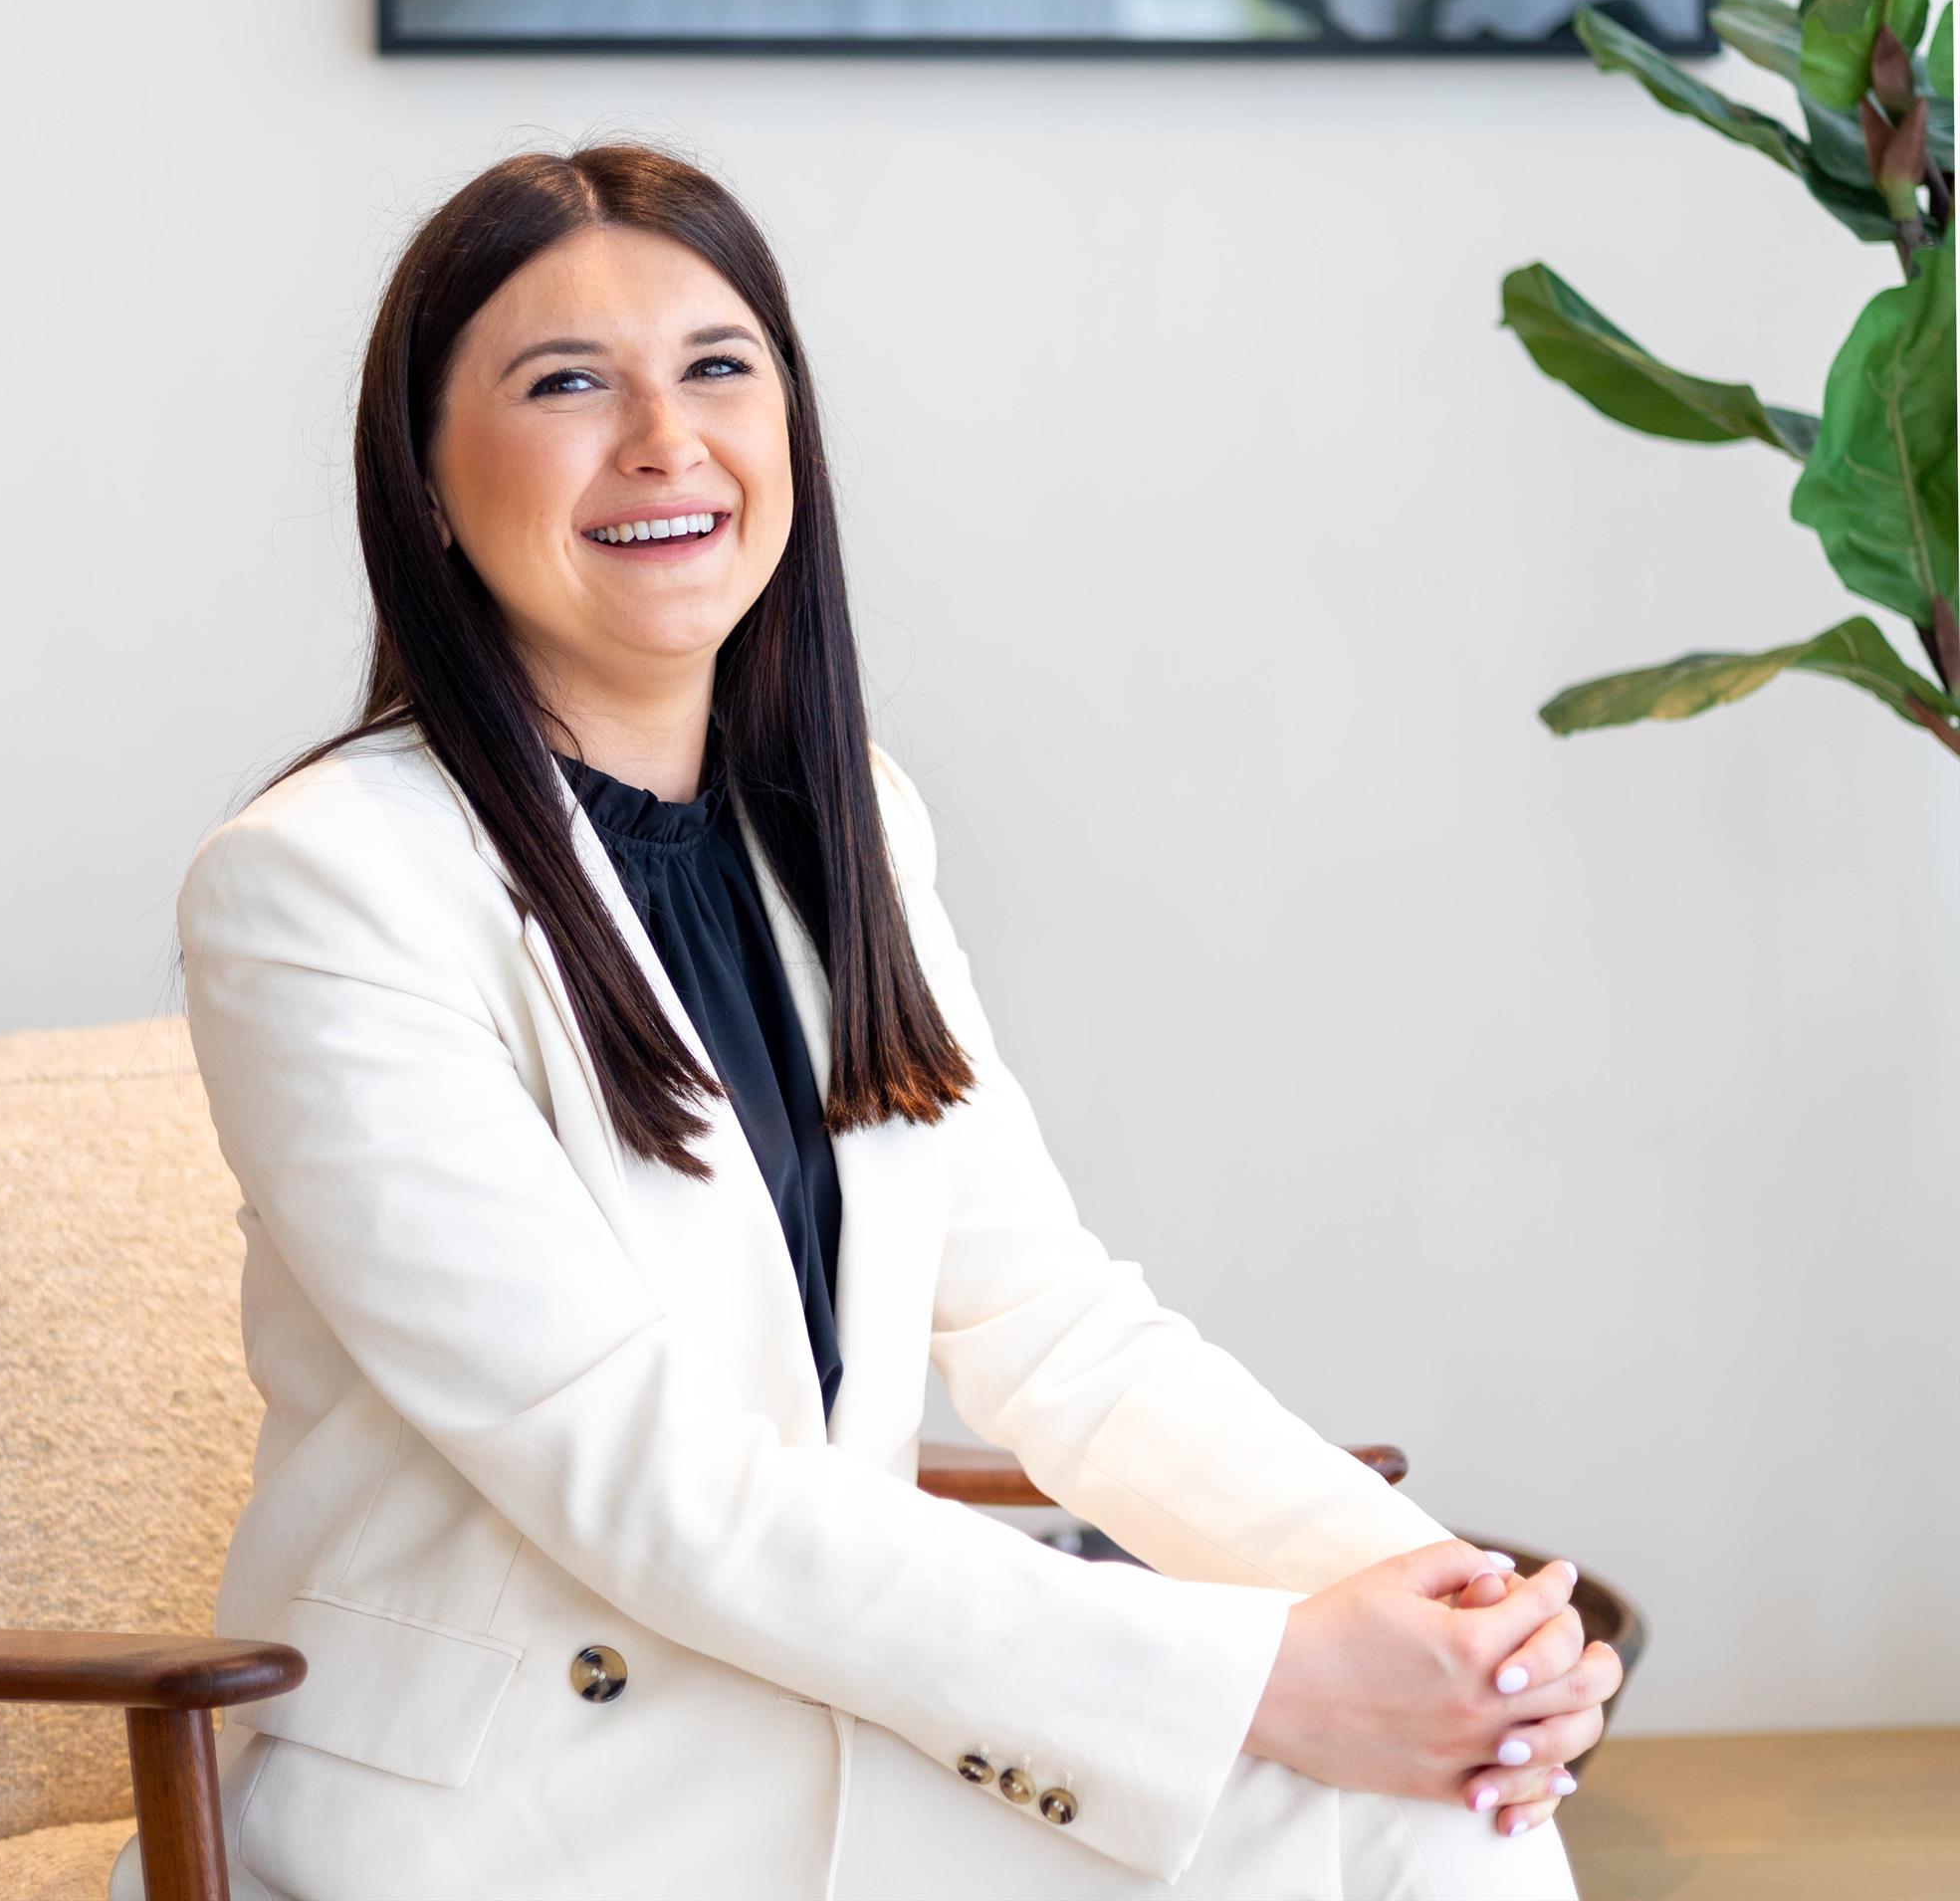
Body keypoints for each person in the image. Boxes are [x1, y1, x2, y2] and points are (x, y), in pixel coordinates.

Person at [111, 142, 1612, 1901]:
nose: (664, 439)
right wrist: (1263, 1676)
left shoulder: (845, 823)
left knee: (1456, 1796)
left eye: (718, 368)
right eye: (567, 383)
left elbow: (1055, 1331)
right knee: (1368, 1794)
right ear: (426, 481)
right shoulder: (318, 886)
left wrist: (1461, 1618)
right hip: (518, 1799)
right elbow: (636, 1471)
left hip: (818, 1716)